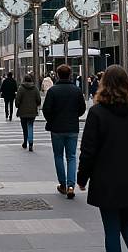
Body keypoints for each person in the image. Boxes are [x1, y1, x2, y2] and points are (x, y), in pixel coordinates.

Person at [77, 65, 128, 252]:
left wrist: (82, 178)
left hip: (106, 180)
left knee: (112, 230)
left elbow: (88, 150)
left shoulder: (97, 113)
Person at [42, 64, 86, 199]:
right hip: (72, 127)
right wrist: (74, 116)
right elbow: (82, 109)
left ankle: (62, 184)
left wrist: (51, 120)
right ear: (70, 75)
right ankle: (71, 185)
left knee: (58, 156)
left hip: (57, 128)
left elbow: (46, 109)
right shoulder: (76, 90)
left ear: (57, 75)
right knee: (72, 156)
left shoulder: (53, 91)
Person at [15, 74, 41, 152]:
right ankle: (31, 143)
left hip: (23, 111)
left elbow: (17, 100)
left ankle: (25, 142)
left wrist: (17, 105)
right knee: (30, 126)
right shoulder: (35, 88)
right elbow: (39, 100)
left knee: (24, 128)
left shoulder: (21, 88)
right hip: (32, 111)